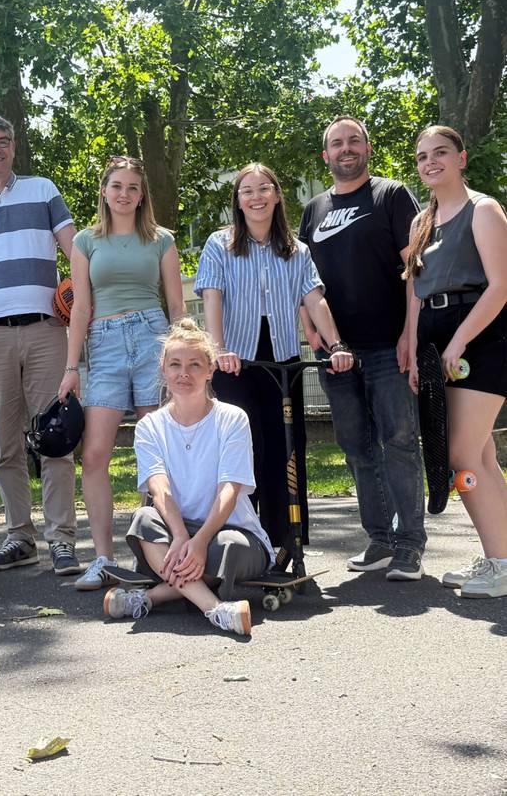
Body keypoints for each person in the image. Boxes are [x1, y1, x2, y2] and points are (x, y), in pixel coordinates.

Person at [0, 114, 81, 576]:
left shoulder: (43, 190)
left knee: (56, 438)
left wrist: (86, 295)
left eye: (3, 141)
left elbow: (75, 250)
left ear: (13, 147)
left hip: (47, 330)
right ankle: (19, 536)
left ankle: (62, 540)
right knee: (5, 444)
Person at [196, 164, 353, 550]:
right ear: (238, 200)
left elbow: (314, 299)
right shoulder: (221, 243)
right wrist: (217, 350)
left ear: (277, 195)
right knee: (242, 449)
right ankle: (240, 540)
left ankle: (288, 539)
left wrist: (336, 346)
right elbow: (212, 296)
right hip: (236, 362)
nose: (256, 197)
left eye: (264, 189)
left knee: (285, 446)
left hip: (282, 361)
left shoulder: (296, 250)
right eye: (247, 191)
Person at [299, 116, 427, 580]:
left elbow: (415, 269)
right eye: (337, 143)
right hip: (335, 352)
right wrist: (309, 328)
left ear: (367, 148)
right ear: (325, 155)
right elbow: (301, 276)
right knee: (355, 446)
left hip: (387, 347)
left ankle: (410, 544)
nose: (345, 149)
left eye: (354, 140)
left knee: (399, 442)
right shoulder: (313, 209)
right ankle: (379, 540)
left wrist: (410, 334)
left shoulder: (391, 196)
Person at [57, 156, 184, 591]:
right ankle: (104, 559)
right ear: (104, 192)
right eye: (117, 186)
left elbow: (176, 306)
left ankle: (158, 553)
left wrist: (183, 356)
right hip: (104, 344)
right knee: (94, 456)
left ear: (142, 194)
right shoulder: (86, 242)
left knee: (157, 456)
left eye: (132, 187)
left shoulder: (162, 240)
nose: (124, 193)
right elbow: (81, 309)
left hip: (153, 340)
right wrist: (72, 368)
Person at [102, 320, 273, 636]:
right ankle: (217, 610)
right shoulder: (150, 426)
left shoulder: (232, 419)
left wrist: (200, 540)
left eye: (195, 365)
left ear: (210, 370)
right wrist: (181, 536)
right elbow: (159, 487)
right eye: (175, 364)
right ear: (163, 369)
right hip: (176, 534)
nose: (184, 373)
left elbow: (229, 491)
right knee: (143, 519)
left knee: (226, 547)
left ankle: (148, 598)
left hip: (227, 532)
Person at [404, 125, 507, 598]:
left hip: (479, 336)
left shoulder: (483, 210)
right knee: (481, 456)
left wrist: (459, 341)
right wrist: (411, 344)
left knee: (462, 458)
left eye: (441, 153)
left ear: (461, 158)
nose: (431, 162)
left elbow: (500, 286)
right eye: (423, 156)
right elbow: (415, 290)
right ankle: (499, 555)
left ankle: (502, 565)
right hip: (435, 337)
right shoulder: (421, 223)